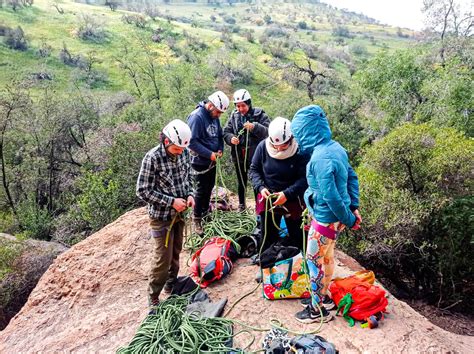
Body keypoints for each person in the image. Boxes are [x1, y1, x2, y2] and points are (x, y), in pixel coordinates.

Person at [291, 105, 361, 324]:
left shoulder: (320, 159)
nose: (298, 139)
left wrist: (351, 219)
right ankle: (324, 296)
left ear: (307, 131)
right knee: (328, 257)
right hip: (334, 220)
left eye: (299, 133)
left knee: (314, 261)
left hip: (324, 220)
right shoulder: (336, 148)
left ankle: (316, 310)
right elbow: (351, 176)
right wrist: (353, 207)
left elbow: (331, 197)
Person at [136, 119, 195, 307]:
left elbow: (189, 176)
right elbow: (143, 190)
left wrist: (190, 194)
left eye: (182, 149)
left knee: (176, 251)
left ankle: (171, 284)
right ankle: (154, 295)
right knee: (163, 257)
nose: (180, 152)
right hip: (161, 217)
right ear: (167, 141)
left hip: (179, 214)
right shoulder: (152, 158)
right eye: (177, 149)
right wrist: (171, 202)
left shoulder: (184, 153)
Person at [249, 117, 309, 252]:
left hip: (293, 199)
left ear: (291, 139)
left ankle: (300, 264)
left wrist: (287, 194)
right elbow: (254, 169)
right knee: (267, 236)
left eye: (283, 145)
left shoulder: (299, 151)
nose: (279, 148)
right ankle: (267, 263)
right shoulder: (263, 147)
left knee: (299, 236)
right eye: (275, 145)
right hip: (269, 198)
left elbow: (304, 179)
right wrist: (261, 187)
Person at [187, 91, 229, 234]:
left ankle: (205, 213)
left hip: (212, 161)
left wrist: (220, 148)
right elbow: (191, 142)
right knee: (201, 190)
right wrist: (209, 154)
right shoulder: (197, 117)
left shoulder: (213, 116)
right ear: (210, 105)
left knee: (209, 188)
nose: (219, 115)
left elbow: (219, 135)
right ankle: (197, 217)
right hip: (199, 162)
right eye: (218, 112)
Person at [223, 89, 271, 211]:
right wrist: (231, 139)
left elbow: (268, 132)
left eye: (243, 105)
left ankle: (258, 206)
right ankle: (242, 205)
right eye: (238, 106)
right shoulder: (234, 116)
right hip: (239, 156)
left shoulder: (259, 115)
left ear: (249, 104)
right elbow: (226, 131)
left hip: (256, 156)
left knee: (257, 181)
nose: (240, 109)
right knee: (241, 182)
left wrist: (255, 127)